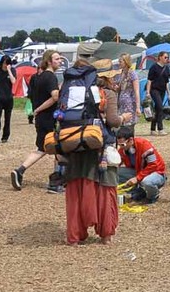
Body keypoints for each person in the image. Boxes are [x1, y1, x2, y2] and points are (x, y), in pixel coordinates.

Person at [62, 41, 121, 246]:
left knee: (76, 185)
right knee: (105, 186)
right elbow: (113, 121)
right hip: (99, 146)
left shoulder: (74, 90)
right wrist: (124, 118)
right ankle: (106, 234)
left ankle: (75, 235)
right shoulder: (108, 94)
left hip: (74, 141)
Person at [11, 50, 61, 192]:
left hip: (40, 119)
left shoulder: (36, 77)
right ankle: (56, 182)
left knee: (42, 148)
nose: (60, 61)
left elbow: (31, 95)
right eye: (57, 59)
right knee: (59, 149)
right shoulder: (51, 77)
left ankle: (20, 170)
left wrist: (36, 110)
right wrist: (39, 109)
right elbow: (55, 97)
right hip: (49, 117)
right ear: (49, 62)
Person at [116, 126, 167, 204]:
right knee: (116, 172)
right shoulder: (123, 150)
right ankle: (137, 191)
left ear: (130, 140)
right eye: (118, 144)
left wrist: (137, 178)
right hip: (139, 172)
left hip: (156, 173)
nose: (120, 147)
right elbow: (117, 163)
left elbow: (154, 165)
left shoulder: (145, 145)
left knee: (147, 182)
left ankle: (152, 196)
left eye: (122, 144)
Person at [115, 54, 142, 139]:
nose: (119, 63)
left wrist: (138, 107)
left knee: (129, 125)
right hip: (122, 103)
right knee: (122, 125)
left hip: (130, 103)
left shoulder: (132, 74)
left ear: (126, 62)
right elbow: (120, 88)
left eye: (121, 61)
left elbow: (136, 91)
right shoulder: (121, 73)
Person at [0, 55, 16, 144]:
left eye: (7, 63)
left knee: (7, 118)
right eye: (4, 63)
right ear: (1, 63)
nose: (5, 65)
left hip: (9, 98)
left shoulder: (12, 71)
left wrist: (9, 70)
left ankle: (5, 136)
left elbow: (13, 81)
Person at [147, 51, 170, 135]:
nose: (166, 59)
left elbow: (167, 82)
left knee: (157, 109)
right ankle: (160, 128)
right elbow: (149, 80)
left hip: (162, 90)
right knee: (160, 107)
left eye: (167, 57)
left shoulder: (167, 68)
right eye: (165, 57)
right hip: (154, 90)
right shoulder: (154, 67)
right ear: (160, 57)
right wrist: (147, 92)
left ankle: (152, 129)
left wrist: (169, 93)